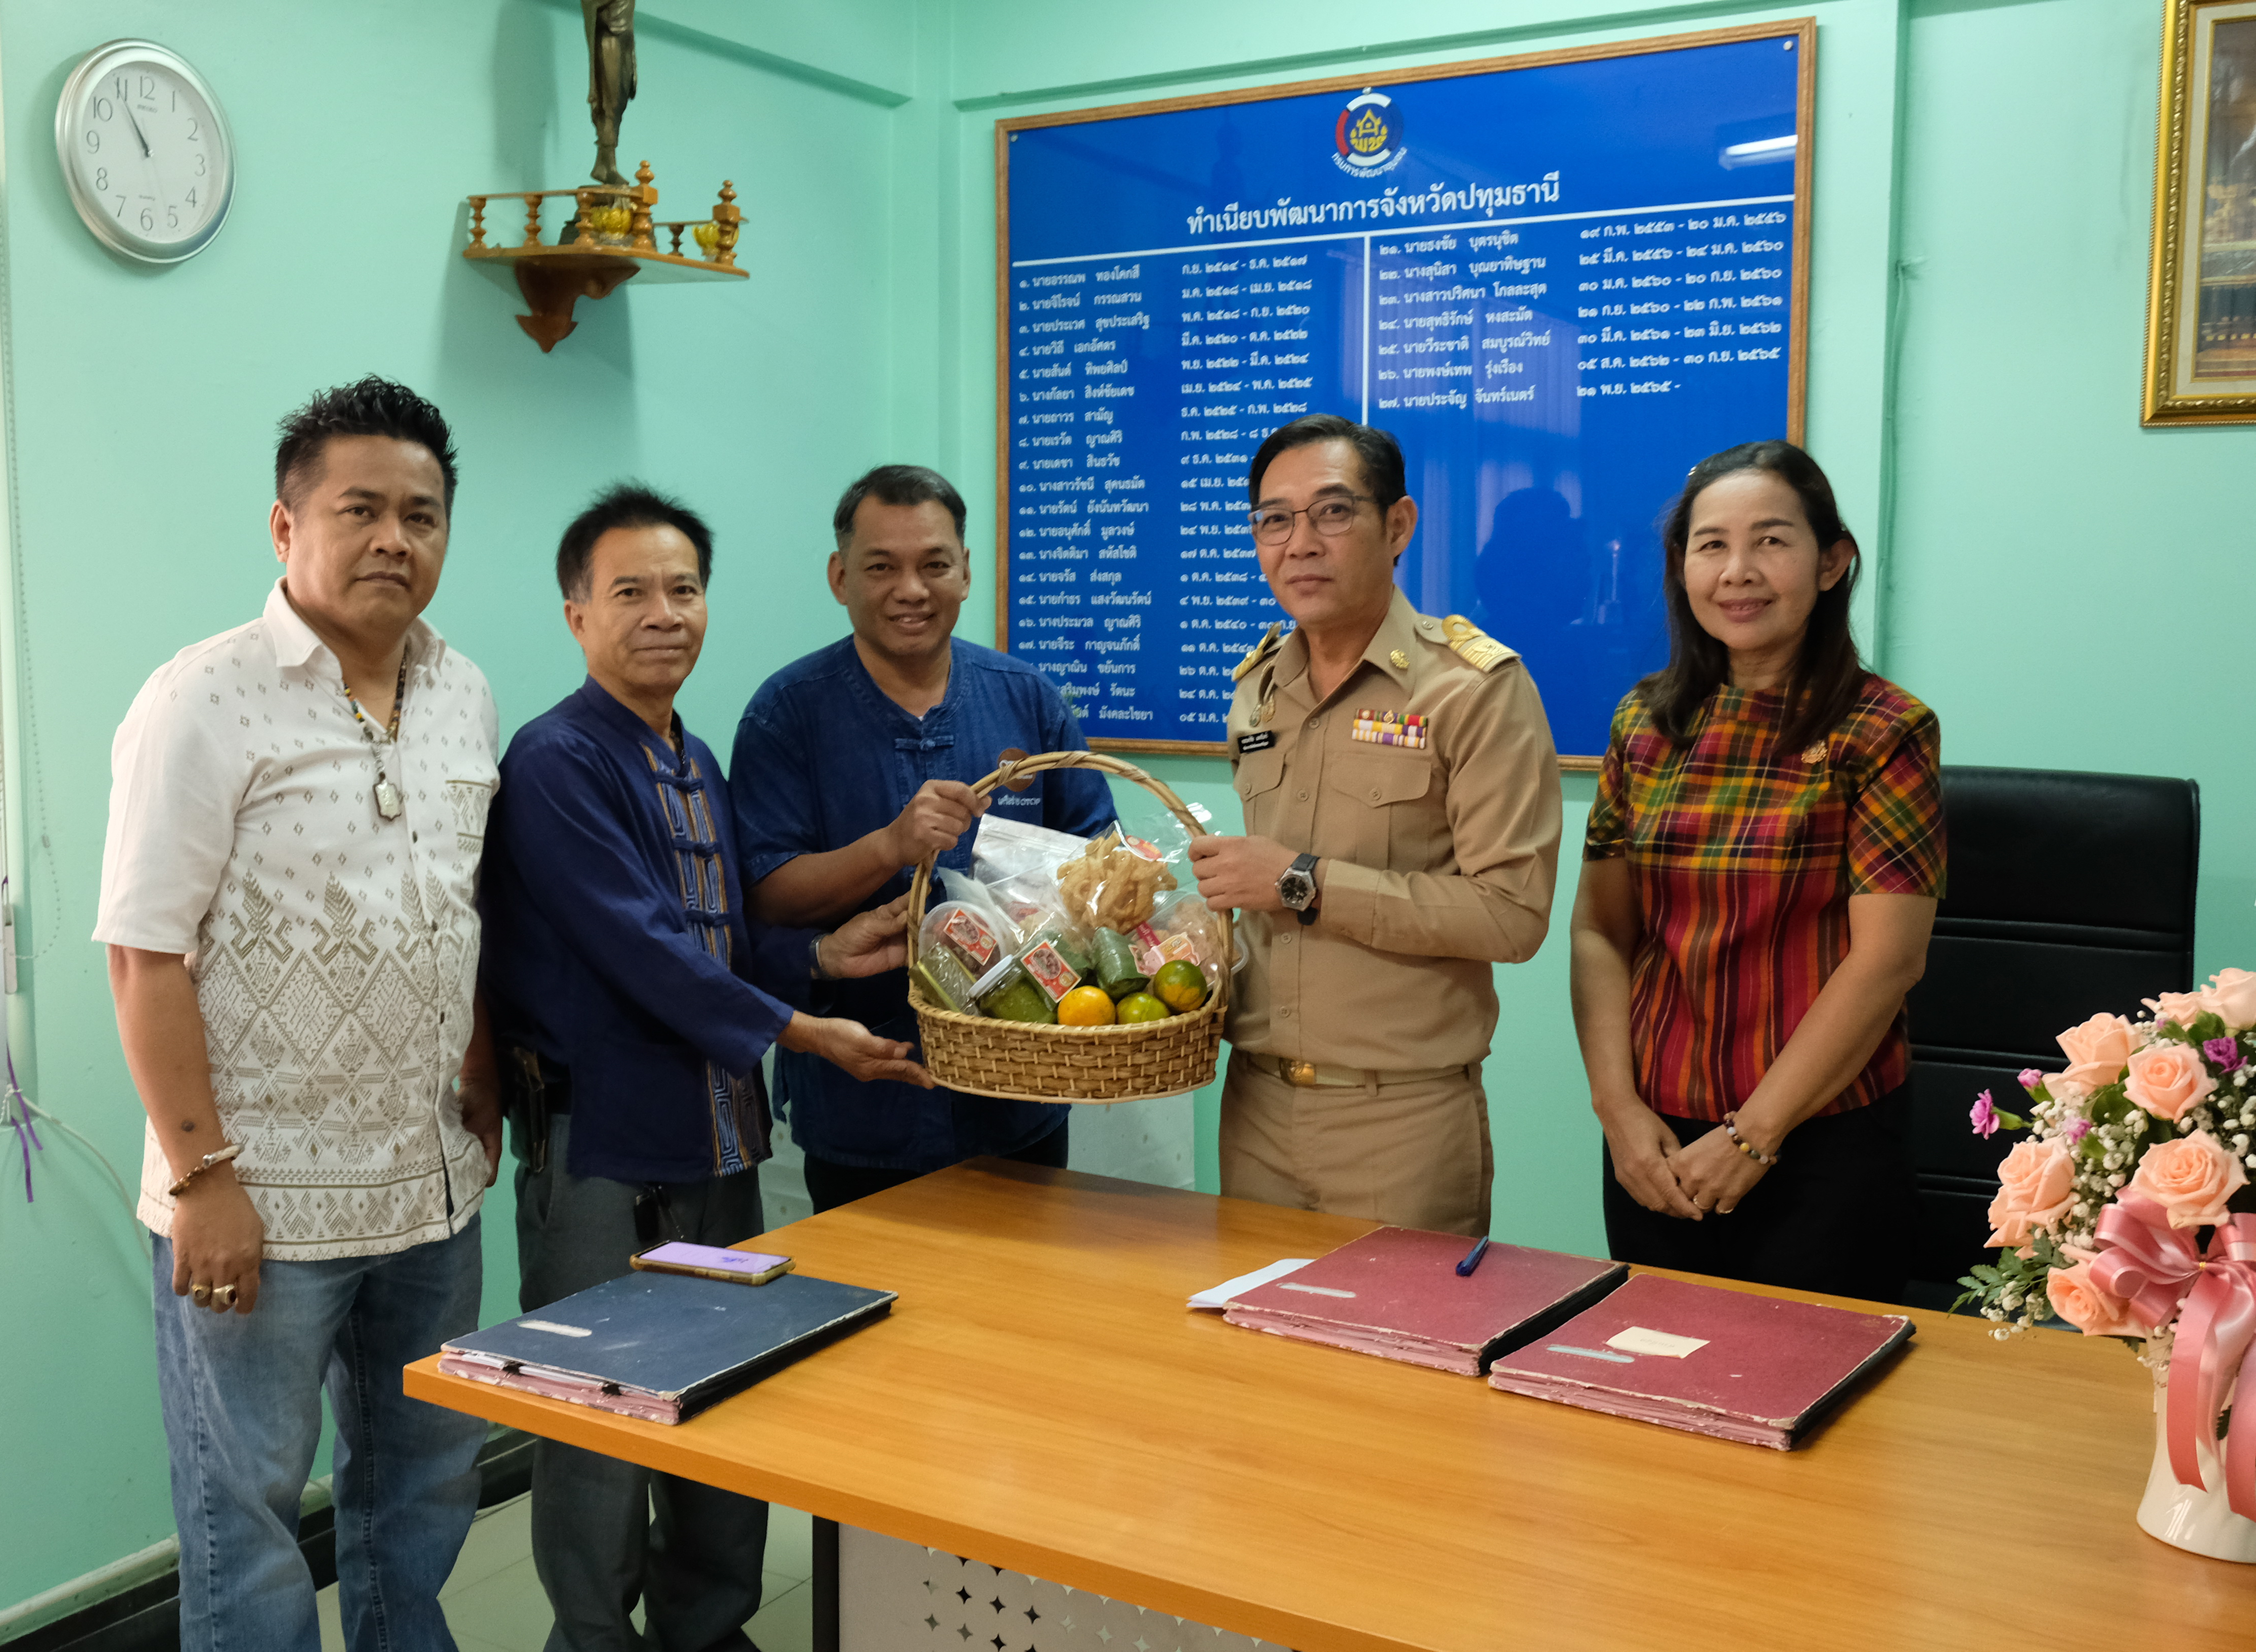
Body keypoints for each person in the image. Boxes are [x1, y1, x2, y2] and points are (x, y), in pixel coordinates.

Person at [479, 482, 926, 1652]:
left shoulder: (693, 754)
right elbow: (641, 947)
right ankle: (592, 1637)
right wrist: (804, 1029)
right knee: (598, 1413)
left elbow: (717, 937)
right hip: (603, 1147)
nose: (663, 613)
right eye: (630, 590)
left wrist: (821, 954)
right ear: (576, 614)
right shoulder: (557, 760)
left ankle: (708, 1629)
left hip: (719, 1138)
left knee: (725, 1391)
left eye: (683, 589)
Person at [96, 377, 500, 1652]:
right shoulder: (202, 697)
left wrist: (480, 1066)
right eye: (359, 509)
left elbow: (454, 904)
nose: (394, 538)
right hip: (260, 1201)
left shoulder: (463, 689)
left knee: (423, 1489)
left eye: (421, 515)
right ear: (286, 527)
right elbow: (142, 955)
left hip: (430, 1189)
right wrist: (203, 1178)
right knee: (251, 1518)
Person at [1569, 439, 1941, 1303]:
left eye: (1771, 540)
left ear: (1831, 562)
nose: (1738, 571)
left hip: (1821, 1140)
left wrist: (1753, 1136)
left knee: (1817, 1377)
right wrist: (1617, 1111)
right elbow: (1600, 930)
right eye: (1712, 545)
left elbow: (1889, 959)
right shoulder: (1644, 723)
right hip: (1656, 1139)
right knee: (1650, 1365)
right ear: (1682, 567)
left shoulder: (1883, 730)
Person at [1189, 415, 1561, 1236]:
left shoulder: (1473, 690)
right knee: (1241, 1322)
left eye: (1332, 512)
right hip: (1253, 1106)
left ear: (1398, 526)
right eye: (1274, 520)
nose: (1300, 544)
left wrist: (1303, 881)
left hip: (1401, 1122)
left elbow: (1512, 916)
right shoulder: (1257, 692)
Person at [730, 464, 1117, 1213]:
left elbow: (1101, 862)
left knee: (1027, 1280)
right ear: (840, 577)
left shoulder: (1027, 700)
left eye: (934, 565)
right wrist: (889, 846)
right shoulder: (787, 715)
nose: (911, 589)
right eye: (882, 567)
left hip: (1021, 1095)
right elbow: (767, 895)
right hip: (864, 1097)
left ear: (966, 571)